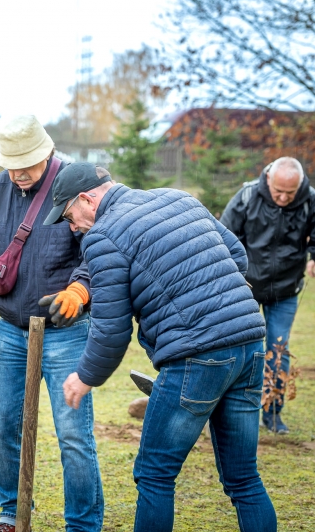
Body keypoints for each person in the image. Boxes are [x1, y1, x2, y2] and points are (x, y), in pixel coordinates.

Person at [47, 163, 275, 532]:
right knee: (244, 479)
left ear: (87, 199)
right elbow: (237, 255)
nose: (71, 227)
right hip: (250, 344)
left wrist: (85, 376)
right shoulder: (179, 199)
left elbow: (111, 328)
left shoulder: (102, 237)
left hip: (196, 358)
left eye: (69, 216)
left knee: (154, 475)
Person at [0, 115, 103, 532]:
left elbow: (99, 250)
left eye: (27, 165)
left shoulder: (74, 187)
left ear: (47, 153)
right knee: (1, 426)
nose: (18, 174)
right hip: (12, 332)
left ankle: (83, 525)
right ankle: (11, 512)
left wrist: (79, 291)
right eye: (10, 165)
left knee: (73, 435)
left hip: (67, 332)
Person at [220, 157, 315, 434]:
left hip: (286, 289)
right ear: (268, 180)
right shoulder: (247, 195)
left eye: (290, 192)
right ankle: (222, 408)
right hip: (246, 288)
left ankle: (273, 414)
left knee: (278, 350)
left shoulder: (310, 200)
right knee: (238, 349)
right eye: (278, 192)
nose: (284, 198)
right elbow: (225, 235)